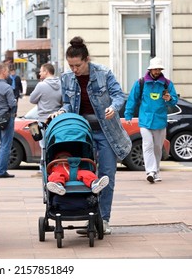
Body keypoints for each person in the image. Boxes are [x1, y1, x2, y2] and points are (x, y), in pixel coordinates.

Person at [50, 36, 132, 234]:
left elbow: (119, 95)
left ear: (86, 60)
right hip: (82, 134)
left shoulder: (103, 73)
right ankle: (89, 217)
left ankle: (103, 220)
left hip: (106, 132)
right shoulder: (67, 78)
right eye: (71, 65)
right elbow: (69, 103)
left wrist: (114, 107)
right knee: (84, 175)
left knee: (106, 176)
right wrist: (62, 111)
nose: (74, 70)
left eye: (77, 65)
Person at [124, 57, 178, 183]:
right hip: (145, 121)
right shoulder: (141, 83)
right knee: (147, 145)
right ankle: (150, 171)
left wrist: (169, 98)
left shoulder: (167, 84)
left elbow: (174, 101)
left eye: (159, 69)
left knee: (158, 147)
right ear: (150, 69)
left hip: (160, 121)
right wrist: (128, 115)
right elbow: (132, 99)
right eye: (155, 69)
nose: (157, 71)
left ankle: (156, 171)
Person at [29, 63, 62, 174]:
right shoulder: (61, 84)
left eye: (41, 71)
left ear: (46, 72)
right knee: (55, 145)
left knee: (43, 146)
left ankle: (44, 168)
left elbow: (32, 99)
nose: (39, 73)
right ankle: (55, 166)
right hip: (57, 121)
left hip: (44, 120)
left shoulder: (41, 85)